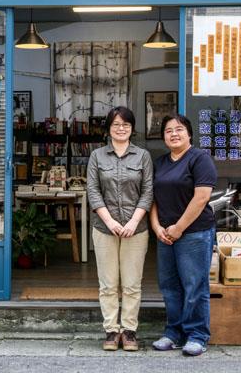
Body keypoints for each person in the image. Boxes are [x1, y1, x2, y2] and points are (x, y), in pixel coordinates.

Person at [86, 106, 153, 352]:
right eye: (116, 124)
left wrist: (134, 221)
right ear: (108, 128)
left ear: (132, 128)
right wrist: (110, 221)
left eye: (125, 124)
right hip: (104, 229)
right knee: (108, 283)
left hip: (137, 228)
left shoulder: (142, 156)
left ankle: (129, 331)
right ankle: (111, 331)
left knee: (132, 283)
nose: (121, 128)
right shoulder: (97, 156)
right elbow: (93, 192)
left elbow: (148, 191)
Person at [150, 113, 217, 356]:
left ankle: (197, 335)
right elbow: (153, 199)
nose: (174, 134)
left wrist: (178, 228)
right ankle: (173, 333)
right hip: (165, 234)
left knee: (194, 285)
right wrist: (157, 227)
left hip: (194, 233)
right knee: (169, 286)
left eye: (179, 129)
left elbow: (201, 198)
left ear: (189, 134)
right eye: (168, 131)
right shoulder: (160, 163)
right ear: (163, 137)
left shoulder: (200, 159)